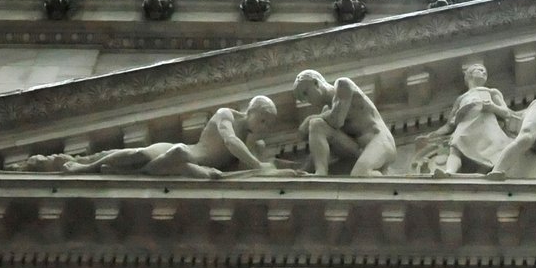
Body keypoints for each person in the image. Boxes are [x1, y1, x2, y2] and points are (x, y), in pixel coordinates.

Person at [23, 96, 281, 178]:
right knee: (142, 154)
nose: (264, 126)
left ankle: (130, 173)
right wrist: (259, 166)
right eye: (263, 120)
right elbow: (230, 143)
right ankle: (84, 168)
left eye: (268, 124)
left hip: (195, 169)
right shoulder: (226, 114)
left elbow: (252, 171)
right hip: (187, 153)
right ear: (252, 111)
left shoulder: (252, 141)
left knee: (176, 161)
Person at [293, 70, 395, 178]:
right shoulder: (326, 111)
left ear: (316, 83)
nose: (309, 100)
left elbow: (337, 120)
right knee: (317, 125)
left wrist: (308, 119)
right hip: (358, 148)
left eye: (306, 93)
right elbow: (317, 148)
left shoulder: (343, 85)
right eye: (305, 99)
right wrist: (300, 171)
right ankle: (321, 173)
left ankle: (389, 179)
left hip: (380, 141)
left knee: (360, 174)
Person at [424, 61, 519, 175]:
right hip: (465, 126)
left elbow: (506, 113)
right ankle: (449, 172)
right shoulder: (461, 98)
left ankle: (491, 172)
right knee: (455, 148)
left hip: (486, 126)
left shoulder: (492, 92)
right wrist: (433, 135)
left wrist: (492, 107)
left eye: (485, 71)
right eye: (479, 69)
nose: (483, 72)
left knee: (494, 150)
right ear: (469, 75)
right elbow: (449, 125)